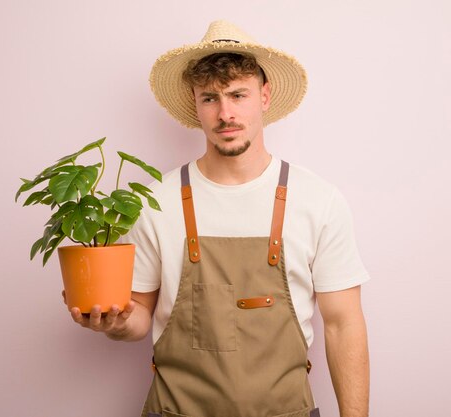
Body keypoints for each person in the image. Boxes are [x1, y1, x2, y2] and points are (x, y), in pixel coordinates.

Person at [66, 20, 370, 417]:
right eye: (210, 98)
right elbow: (138, 315)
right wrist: (116, 324)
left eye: (237, 95)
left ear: (264, 96)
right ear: (196, 105)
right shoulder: (156, 201)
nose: (225, 113)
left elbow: (343, 325)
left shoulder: (318, 200)